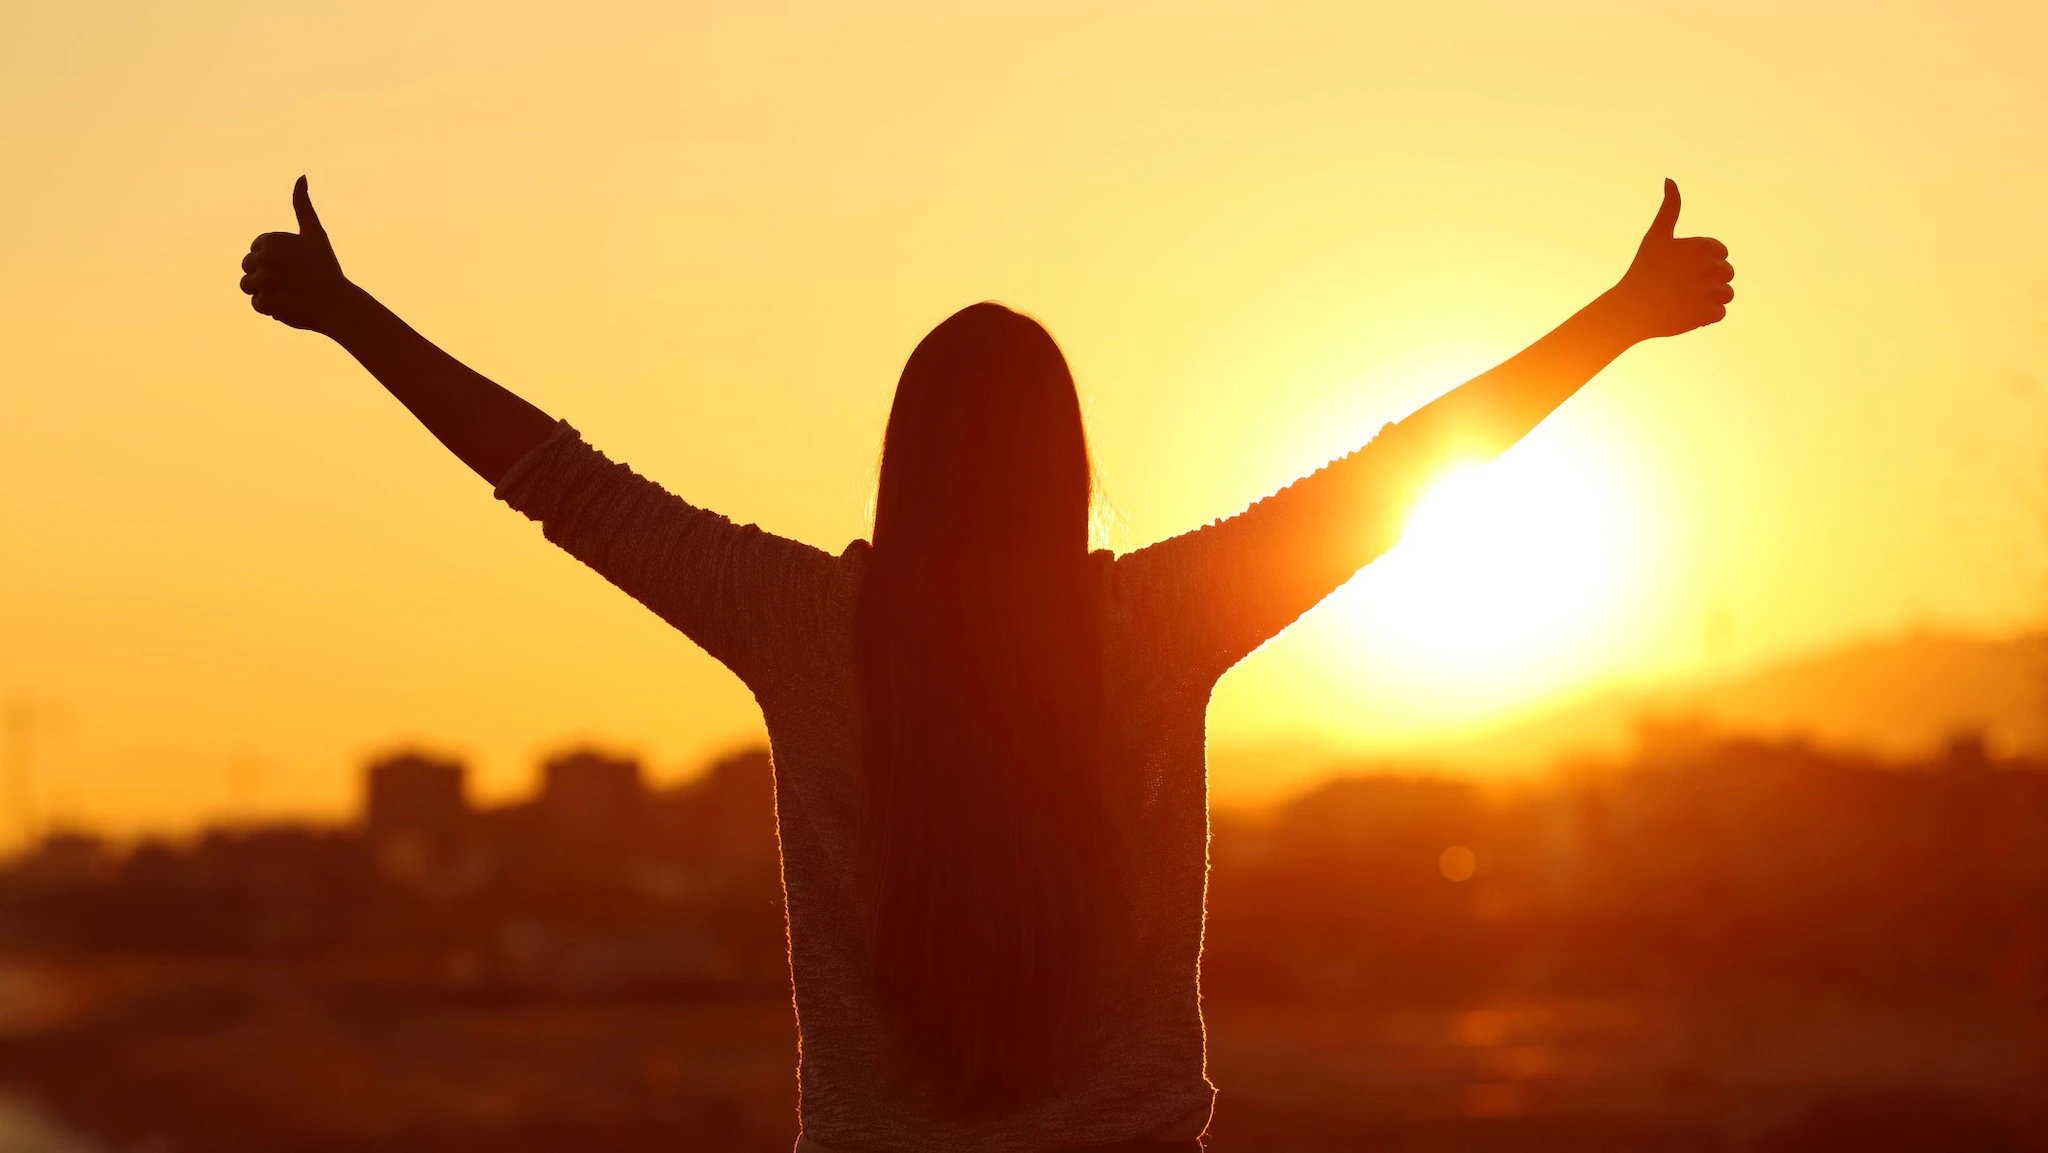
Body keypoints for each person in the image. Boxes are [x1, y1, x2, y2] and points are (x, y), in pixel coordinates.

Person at [239, 176, 1732, 1152]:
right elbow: (1394, 481)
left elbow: (557, 476)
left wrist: (349, 314)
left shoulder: (805, 627)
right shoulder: (1151, 629)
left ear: (903, 467)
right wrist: (1619, 319)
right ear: (1068, 469)